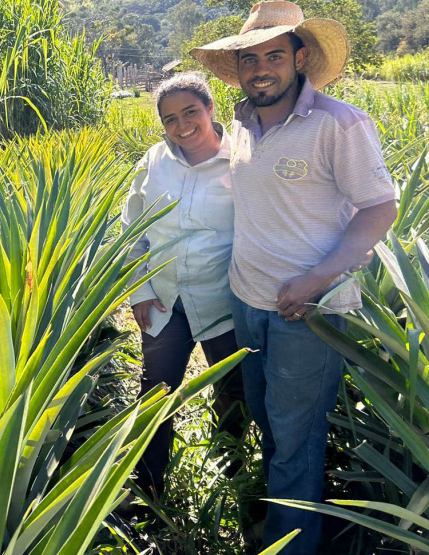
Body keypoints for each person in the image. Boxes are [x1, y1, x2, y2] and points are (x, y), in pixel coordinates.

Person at [191, 2, 398, 552]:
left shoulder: (339, 123)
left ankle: (292, 544)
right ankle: (286, 521)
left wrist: (318, 278)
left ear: (300, 58)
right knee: (268, 420)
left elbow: (379, 207)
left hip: (311, 311)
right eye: (250, 57)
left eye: (275, 56)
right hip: (248, 299)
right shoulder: (239, 121)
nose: (262, 68)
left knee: (296, 436)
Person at [122, 72, 246, 501]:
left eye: (190, 112)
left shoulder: (243, 160)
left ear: (211, 109)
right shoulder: (154, 161)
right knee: (155, 392)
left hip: (224, 300)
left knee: (233, 391)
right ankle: (149, 490)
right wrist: (138, 290)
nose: (182, 125)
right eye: (170, 118)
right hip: (165, 300)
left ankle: (234, 478)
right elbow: (131, 228)